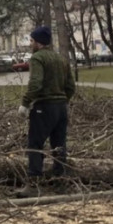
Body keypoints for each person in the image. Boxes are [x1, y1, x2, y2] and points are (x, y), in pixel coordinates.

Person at [17, 26, 76, 196]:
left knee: (35, 144)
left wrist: (25, 103)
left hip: (44, 107)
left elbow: (36, 83)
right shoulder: (60, 59)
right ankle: (60, 182)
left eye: (32, 40)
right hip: (61, 108)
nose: (30, 43)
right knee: (59, 145)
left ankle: (33, 185)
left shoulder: (37, 58)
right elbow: (71, 86)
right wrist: (62, 100)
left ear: (38, 42)